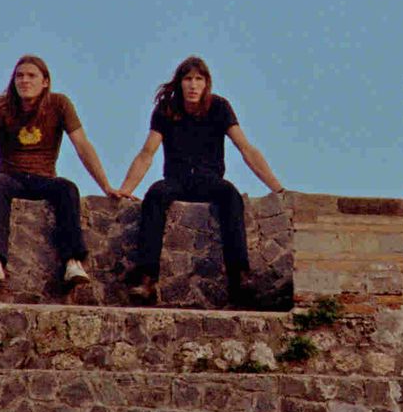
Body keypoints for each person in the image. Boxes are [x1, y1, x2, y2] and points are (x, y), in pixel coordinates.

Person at [0, 55, 120, 285]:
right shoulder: (0, 106)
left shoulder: (59, 104)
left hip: (44, 178)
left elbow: (82, 146)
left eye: (31, 76)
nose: (24, 81)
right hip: (12, 178)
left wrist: (106, 186)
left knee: (67, 188)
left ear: (45, 81)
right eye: (19, 76)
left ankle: (73, 263)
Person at [118, 56, 284, 304]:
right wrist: (125, 189)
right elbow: (147, 153)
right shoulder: (167, 109)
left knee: (231, 195)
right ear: (179, 83)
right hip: (176, 179)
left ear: (207, 83)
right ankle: (147, 280)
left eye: (199, 79)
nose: (193, 85)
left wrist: (277, 189)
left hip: (209, 180)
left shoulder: (219, 107)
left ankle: (240, 276)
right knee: (154, 195)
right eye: (188, 79)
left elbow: (245, 148)